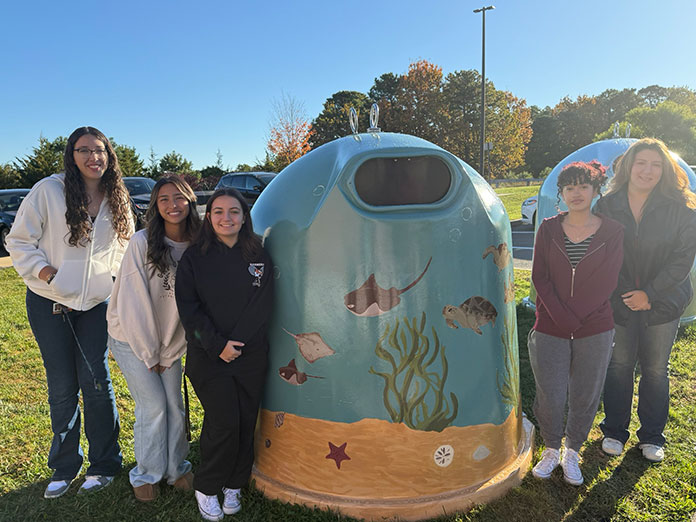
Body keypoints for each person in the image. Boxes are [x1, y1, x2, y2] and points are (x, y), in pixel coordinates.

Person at [6, 126, 132, 498]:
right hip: (50, 303)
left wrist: (111, 282)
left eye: (100, 150)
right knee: (62, 387)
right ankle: (64, 466)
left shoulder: (117, 196)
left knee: (97, 383)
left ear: (109, 156)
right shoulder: (48, 190)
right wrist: (49, 275)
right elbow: (18, 241)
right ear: (71, 155)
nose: (94, 157)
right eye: (84, 150)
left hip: (95, 305)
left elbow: (124, 248)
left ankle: (104, 464)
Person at [175, 187, 273, 521]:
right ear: (208, 216)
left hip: (251, 355)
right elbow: (189, 310)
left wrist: (238, 345)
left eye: (234, 212)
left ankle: (234, 483)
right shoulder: (195, 258)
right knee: (223, 423)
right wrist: (219, 346)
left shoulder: (258, 252)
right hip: (208, 358)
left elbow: (262, 305)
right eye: (218, 211)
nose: (226, 218)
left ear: (244, 217)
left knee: (246, 421)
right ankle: (208, 486)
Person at [597, 138, 696, 462]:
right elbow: (603, 253)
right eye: (641, 163)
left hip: (663, 301)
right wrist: (629, 294)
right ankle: (614, 431)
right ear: (629, 166)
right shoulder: (608, 205)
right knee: (620, 364)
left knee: (655, 369)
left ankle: (652, 436)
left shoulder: (681, 208)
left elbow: (682, 259)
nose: (647, 170)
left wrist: (650, 294)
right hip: (620, 297)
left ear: (666, 169)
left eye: (655, 164)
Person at [106, 174, 201, 501]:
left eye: (179, 198)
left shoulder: (200, 245)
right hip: (132, 338)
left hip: (171, 343)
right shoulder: (142, 242)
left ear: (190, 201)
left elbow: (187, 312)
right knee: (154, 406)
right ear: (155, 207)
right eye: (164, 199)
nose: (173, 205)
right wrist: (151, 355)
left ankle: (176, 469)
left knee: (174, 405)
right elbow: (134, 305)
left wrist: (169, 351)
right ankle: (146, 474)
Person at [529, 160, 624, 485]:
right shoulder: (549, 229)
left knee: (585, 394)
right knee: (551, 394)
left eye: (583, 186)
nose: (576, 193)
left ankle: (572, 451)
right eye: (569, 187)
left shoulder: (612, 231)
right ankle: (551, 448)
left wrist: (576, 319)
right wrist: (562, 318)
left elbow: (608, 281)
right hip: (551, 327)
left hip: (595, 327)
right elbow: (540, 276)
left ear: (596, 190)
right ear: (562, 193)